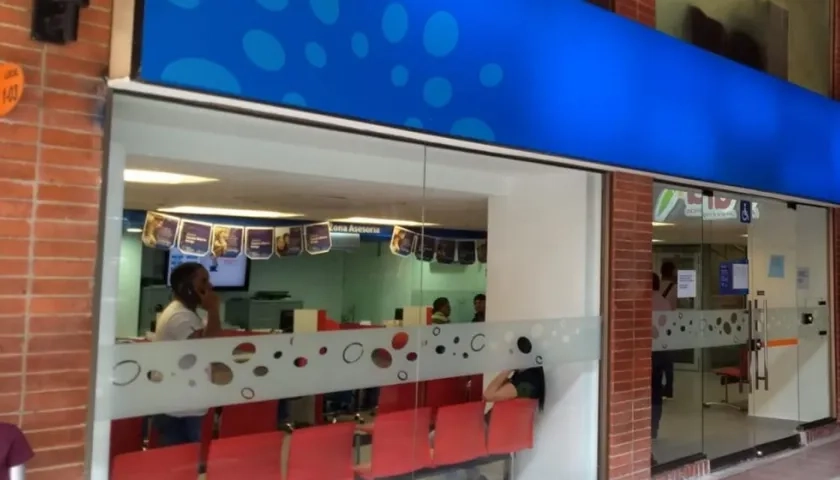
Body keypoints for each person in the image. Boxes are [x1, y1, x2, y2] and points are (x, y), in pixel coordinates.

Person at [152, 262, 223, 446]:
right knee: (181, 460)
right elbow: (208, 347)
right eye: (203, 281)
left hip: (183, 405)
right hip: (180, 409)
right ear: (186, 287)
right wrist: (213, 309)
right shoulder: (180, 316)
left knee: (185, 460)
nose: (210, 286)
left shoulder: (185, 313)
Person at [651, 273, 670, 443]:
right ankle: (654, 427)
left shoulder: (643, 302)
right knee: (656, 389)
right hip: (662, 349)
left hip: (647, 350)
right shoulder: (665, 302)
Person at [658, 261, 677, 399]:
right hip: (668, 327)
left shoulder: (656, 286)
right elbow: (674, 308)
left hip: (655, 326)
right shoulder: (674, 287)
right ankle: (669, 388)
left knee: (656, 359)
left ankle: (657, 385)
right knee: (668, 361)